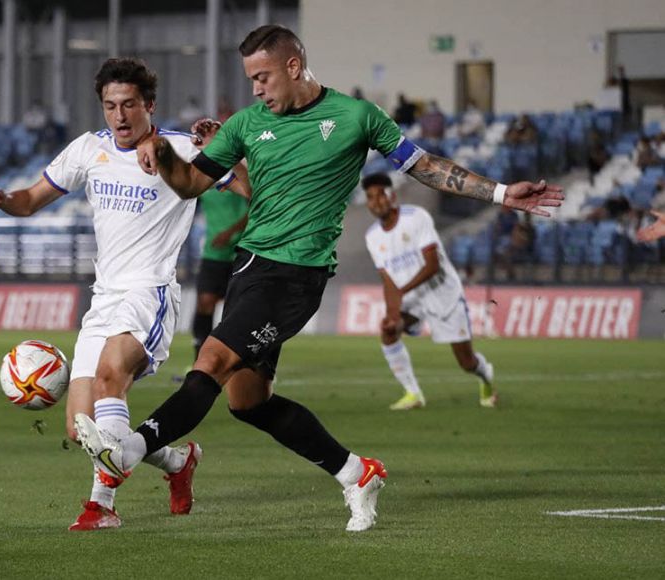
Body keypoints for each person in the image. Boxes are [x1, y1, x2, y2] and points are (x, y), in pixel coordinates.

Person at [73, 25, 562, 532]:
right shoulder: (245, 123)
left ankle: (128, 451)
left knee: (212, 360)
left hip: (297, 276)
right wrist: (164, 153)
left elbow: (426, 167)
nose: (256, 89)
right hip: (250, 267)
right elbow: (188, 185)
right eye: (250, 80)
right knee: (248, 403)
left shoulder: (355, 117)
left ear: (293, 66)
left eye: (262, 77)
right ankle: (358, 473)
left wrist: (503, 194)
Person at [0, 57, 247, 531]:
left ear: (149, 105)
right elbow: (33, 198)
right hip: (104, 299)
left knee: (110, 375)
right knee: (82, 428)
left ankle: (101, 506)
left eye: (129, 105)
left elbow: (247, 187)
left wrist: (222, 146)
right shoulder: (88, 150)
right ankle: (179, 462)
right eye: (110, 106)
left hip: (150, 293)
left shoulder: (179, 148)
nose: (119, 116)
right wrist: (1, 200)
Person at [361, 173, 497, 410]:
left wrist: (401, 291)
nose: (376, 202)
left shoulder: (415, 218)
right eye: (370, 198)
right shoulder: (372, 237)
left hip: (442, 295)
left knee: (466, 362)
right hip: (412, 299)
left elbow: (432, 266)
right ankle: (413, 394)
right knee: (388, 331)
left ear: (392, 195)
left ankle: (485, 375)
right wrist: (393, 314)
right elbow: (387, 281)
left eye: (380, 194)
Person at [189, 129, 249, 362]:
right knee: (204, 303)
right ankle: (199, 361)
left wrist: (230, 232)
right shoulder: (200, 177)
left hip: (240, 250)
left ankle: (243, 363)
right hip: (213, 253)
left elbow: (255, 203)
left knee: (238, 310)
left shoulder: (234, 173)